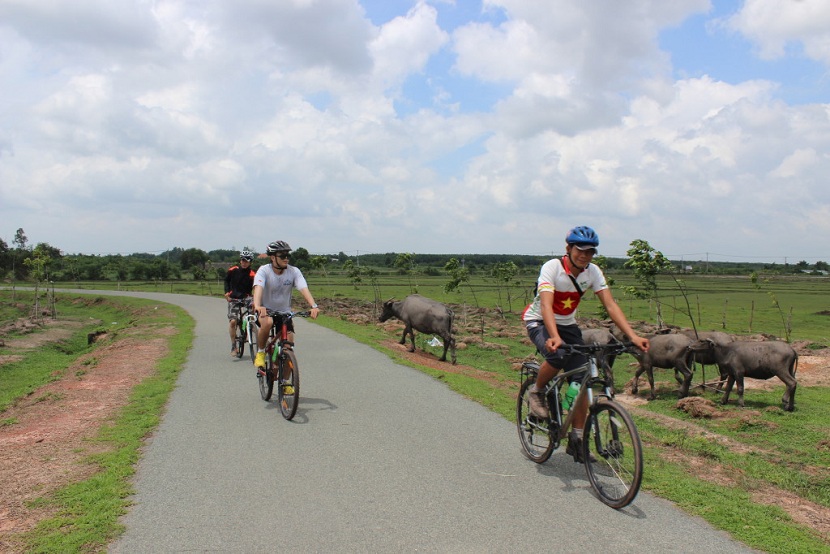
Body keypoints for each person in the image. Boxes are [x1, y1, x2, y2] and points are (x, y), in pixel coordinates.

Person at [522, 226, 649, 463]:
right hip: (539, 320)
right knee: (558, 355)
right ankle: (537, 391)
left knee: (581, 382)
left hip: (568, 325)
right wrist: (554, 336)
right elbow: (547, 306)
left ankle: (577, 439)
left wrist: (632, 336)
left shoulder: (593, 272)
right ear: (568, 248)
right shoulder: (552, 268)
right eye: (580, 250)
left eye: (590, 252)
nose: (585, 256)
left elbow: (610, 305)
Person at [252, 241, 320, 385]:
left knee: (289, 348)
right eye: (282, 255)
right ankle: (261, 351)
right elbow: (258, 287)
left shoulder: (293, 271)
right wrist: (258, 305)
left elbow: (303, 288)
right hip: (266, 310)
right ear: (272, 257)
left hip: (284, 313)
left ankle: (285, 382)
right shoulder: (264, 270)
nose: (286, 258)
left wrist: (313, 306)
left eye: (287, 255)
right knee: (268, 322)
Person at [224, 250, 256, 356]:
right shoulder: (233, 270)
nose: (244, 262)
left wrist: (256, 298)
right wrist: (227, 293)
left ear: (250, 262)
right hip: (234, 298)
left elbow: (256, 287)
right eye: (243, 260)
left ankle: (249, 328)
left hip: (246, 298)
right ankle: (233, 345)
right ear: (240, 260)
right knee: (233, 322)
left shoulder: (253, 274)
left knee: (253, 314)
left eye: (247, 260)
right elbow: (226, 281)